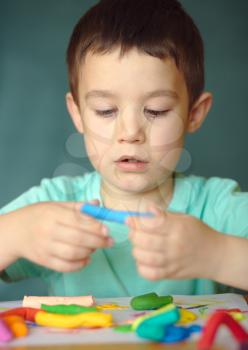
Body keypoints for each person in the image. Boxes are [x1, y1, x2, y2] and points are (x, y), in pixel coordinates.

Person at [0, 0, 247, 297]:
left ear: (194, 114)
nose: (130, 133)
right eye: (106, 110)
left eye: (156, 110)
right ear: (77, 113)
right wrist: (14, 234)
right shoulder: (54, 205)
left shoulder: (217, 209)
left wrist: (218, 254)